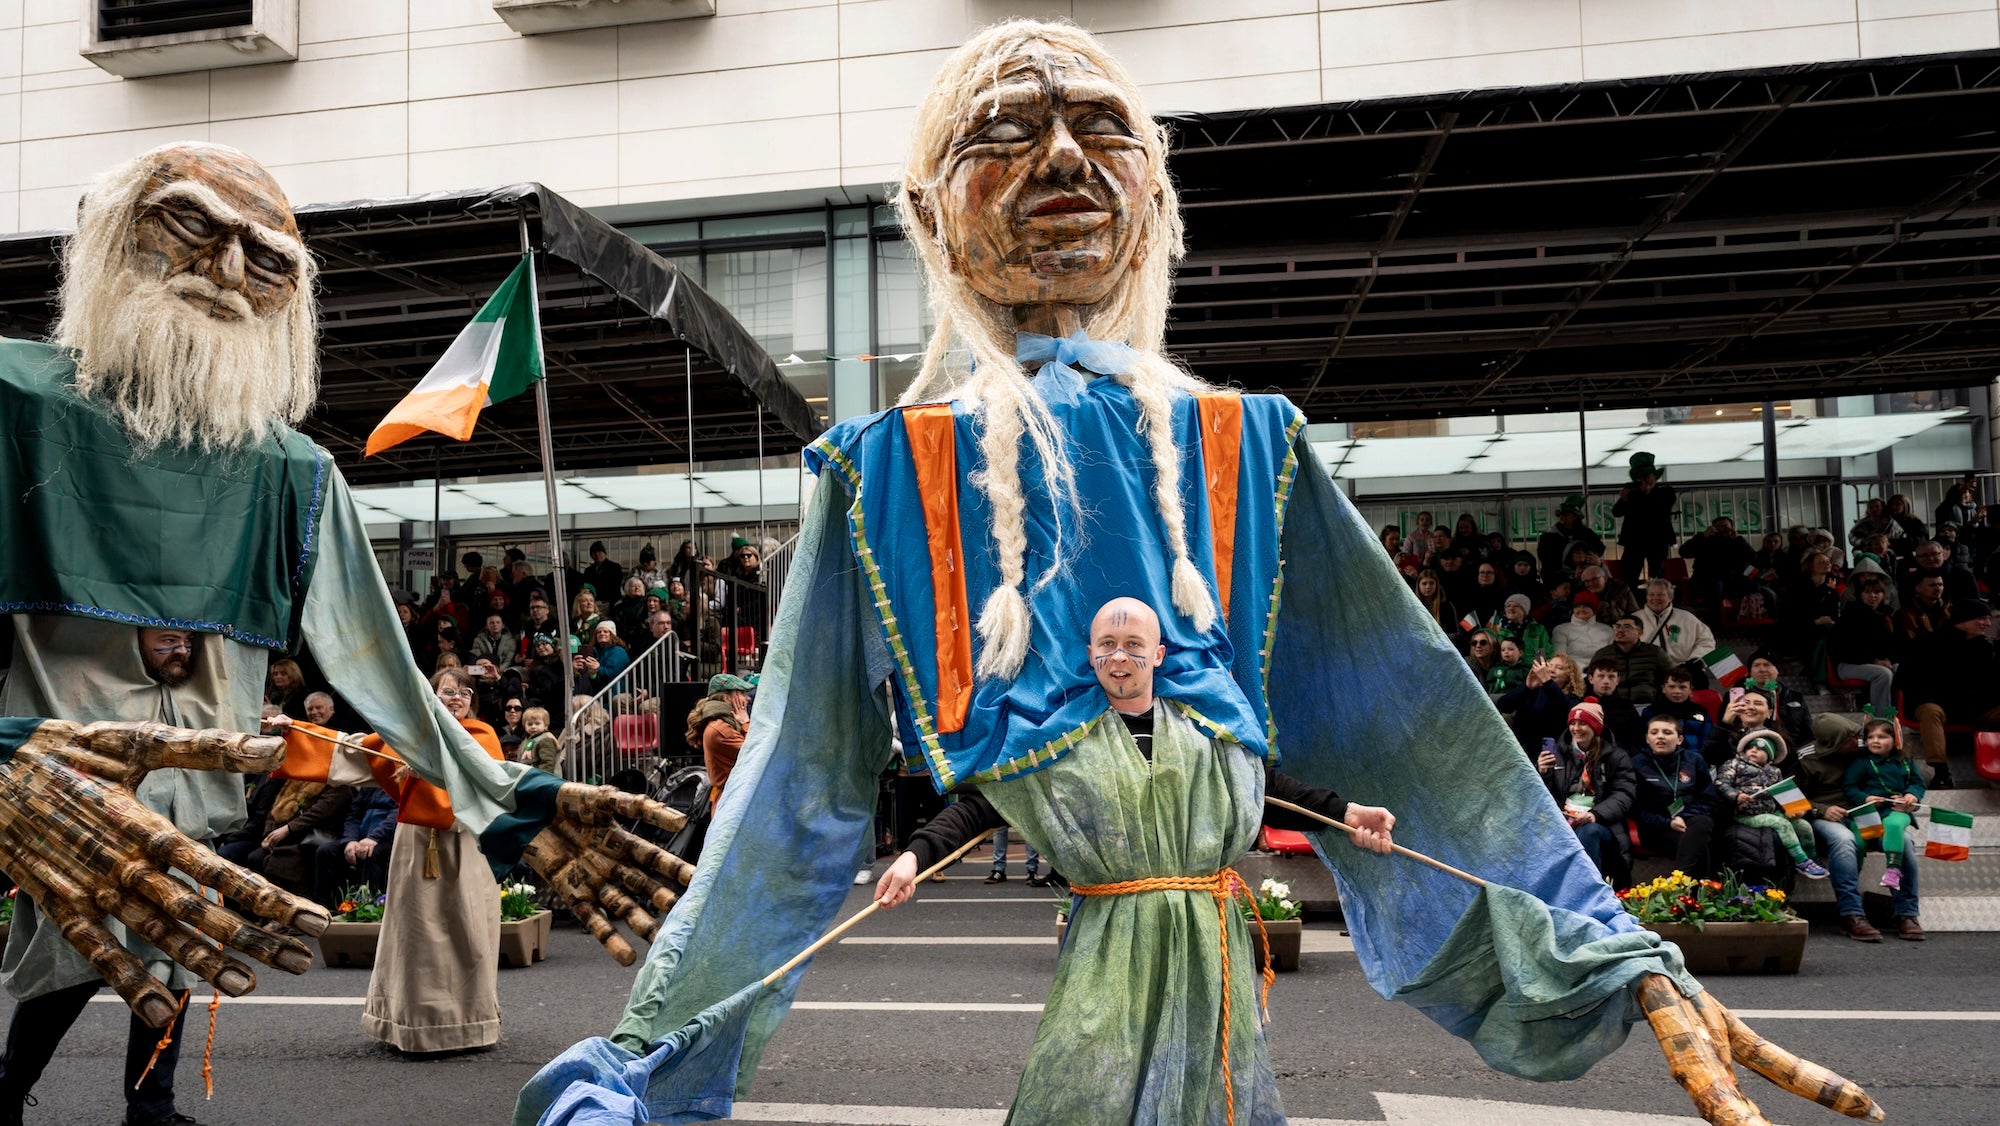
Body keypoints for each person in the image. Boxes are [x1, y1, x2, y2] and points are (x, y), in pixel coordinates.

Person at [523, 23, 1873, 1124]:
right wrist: (648, 1062)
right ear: (931, 208)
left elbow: (1422, 723)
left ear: (1155, 190)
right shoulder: (879, 473)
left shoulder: (1246, 448)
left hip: (1221, 986)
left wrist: (1609, 945)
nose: (1063, 156)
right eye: (1007, 130)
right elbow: (787, 798)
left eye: (1103, 128)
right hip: (1111, 965)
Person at [875, 598, 1395, 1122]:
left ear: (1159, 654)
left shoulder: (1203, 732)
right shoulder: (1060, 741)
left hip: (1200, 937)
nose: (1119, 658)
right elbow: (982, 808)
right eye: (1107, 646)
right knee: (1082, 1064)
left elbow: (1270, 790)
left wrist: (1347, 814)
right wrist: (915, 858)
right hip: (1108, 939)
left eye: (1133, 646)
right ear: (1090, 654)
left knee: (1197, 1071)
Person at [0, 629, 219, 1126]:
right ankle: (8, 1090)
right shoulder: (79, 690)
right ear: (128, 642)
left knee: (169, 980)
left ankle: (151, 1107)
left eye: (185, 641)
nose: (182, 651)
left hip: (173, 862)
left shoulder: (193, 695)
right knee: (64, 982)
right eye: (166, 642)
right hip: (87, 861)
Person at [1797, 714, 1924, 941]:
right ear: (1834, 742)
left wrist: (1904, 799)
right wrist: (1820, 809)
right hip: (1828, 815)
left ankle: (1907, 912)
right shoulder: (1806, 758)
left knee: (1903, 841)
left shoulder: (1867, 751)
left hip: (1868, 814)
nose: (1860, 742)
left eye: (1858, 736)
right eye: (1851, 739)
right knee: (1845, 841)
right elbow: (1791, 798)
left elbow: (1902, 776)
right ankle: (1852, 913)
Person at [1894, 597, 2000, 790]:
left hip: (1976, 709)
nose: (1988, 623)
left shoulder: (1986, 648)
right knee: (1929, 710)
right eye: (1982, 618)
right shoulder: (1927, 644)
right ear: (1964, 619)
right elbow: (1908, 680)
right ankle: (1941, 771)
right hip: (1940, 705)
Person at [1534, 698, 1635, 882]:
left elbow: (1624, 794)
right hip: (1564, 820)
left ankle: (1590, 890)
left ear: (1595, 727)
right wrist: (1542, 773)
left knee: (1588, 832)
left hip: (1601, 824)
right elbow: (1540, 795)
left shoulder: (1617, 756)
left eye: (1583, 723)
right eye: (1573, 723)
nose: (1576, 728)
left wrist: (1595, 814)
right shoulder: (1557, 754)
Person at [1713, 729, 1827, 878]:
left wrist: (1795, 810)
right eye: (1751, 747)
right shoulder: (1734, 764)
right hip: (1745, 814)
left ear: (1770, 755)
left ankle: (1813, 858)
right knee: (1781, 824)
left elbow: (1786, 794)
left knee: (1803, 825)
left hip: (1771, 811)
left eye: (1760, 749)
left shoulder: (1775, 772)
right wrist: (1736, 795)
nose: (1754, 750)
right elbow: (1721, 784)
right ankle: (1801, 861)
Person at [1630, 714, 1718, 877]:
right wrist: (1668, 823)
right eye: (1654, 732)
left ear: (1679, 739)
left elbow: (1708, 799)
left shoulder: (1694, 760)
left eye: (1667, 732)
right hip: (1655, 828)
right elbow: (1635, 808)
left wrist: (1683, 817)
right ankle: (1692, 890)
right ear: (1647, 739)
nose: (1660, 736)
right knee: (1698, 847)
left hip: (1689, 822)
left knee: (1704, 821)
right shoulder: (1636, 763)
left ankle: (1678, 882)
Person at [1843, 717, 1925, 890]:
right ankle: (1851, 879)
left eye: (1881, 737)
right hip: (1868, 813)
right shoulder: (1861, 762)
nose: (1875, 741)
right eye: (1871, 737)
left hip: (1897, 810)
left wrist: (1912, 795)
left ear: (1895, 739)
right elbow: (1850, 787)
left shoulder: (1905, 761)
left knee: (1893, 826)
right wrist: (1865, 798)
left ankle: (1893, 872)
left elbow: (1918, 783)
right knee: (1858, 840)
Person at [310, 787, 397, 909]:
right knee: (326, 851)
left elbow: (396, 815)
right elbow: (354, 814)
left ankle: (367, 907)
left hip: (386, 838)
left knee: (371, 854)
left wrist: (374, 838)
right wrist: (350, 840)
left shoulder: (399, 786)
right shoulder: (370, 786)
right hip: (360, 838)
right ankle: (321, 907)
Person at [1829, 575, 1898, 712]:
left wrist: (1889, 659)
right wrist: (1874, 661)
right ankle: (1881, 717)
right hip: (1848, 665)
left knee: (1901, 668)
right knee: (1883, 674)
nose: (1872, 596)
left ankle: (1900, 712)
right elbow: (1845, 649)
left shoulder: (1885, 616)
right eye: (1867, 592)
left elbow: (1892, 645)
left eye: (1877, 592)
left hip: (1875, 663)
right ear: (1861, 594)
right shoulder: (1850, 616)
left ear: (1883, 595)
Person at [1498, 652, 1584, 755]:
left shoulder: (1572, 698)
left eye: (1559, 668)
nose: (1551, 670)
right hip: (1522, 748)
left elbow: (1565, 711)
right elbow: (1503, 706)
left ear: (1569, 676)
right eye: (1549, 666)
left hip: (1551, 750)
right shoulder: (1534, 691)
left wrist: (1548, 682)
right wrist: (1527, 688)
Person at [1612, 452, 1677, 582]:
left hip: (1658, 539)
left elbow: (1660, 509)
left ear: (1654, 476)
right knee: (1629, 575)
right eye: (1640, 477)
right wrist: (1625, 498)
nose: (1644, 480)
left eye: (1647, 476)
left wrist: (1641, 495)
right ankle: (1630, 600)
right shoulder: (1631, 492)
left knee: (1658, 575)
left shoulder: (1665, 492)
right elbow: (1616, 512)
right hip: (1635, 540)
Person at [1677, 514, 1756, 615]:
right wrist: (1703, 536)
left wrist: (1739, 539)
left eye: (1726, 527)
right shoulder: (1705, 540)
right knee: (1716, 585)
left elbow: (1753, 558)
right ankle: (1716, 622)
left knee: (1754, 586)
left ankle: (1751, 617)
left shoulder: (1737, 542)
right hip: (1705, 580)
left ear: (1732, 528)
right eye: (1718, 527)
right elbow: (1684, 552)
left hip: (1732, 581)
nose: (1723, 530)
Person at [1633, 579, 1715, 670]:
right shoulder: (1633, 620)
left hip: (1682, 671)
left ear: (1670, 597)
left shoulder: (1687, 618)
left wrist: (1696, 661)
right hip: (1646, 673)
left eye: (1661, 594)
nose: (1655, 598)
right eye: (1651, 594)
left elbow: (1707, 642)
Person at [1591, 614, 1671, 705]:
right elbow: (1591, 681)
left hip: (1647, 704)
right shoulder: (1602, 654)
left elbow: (1669, 679)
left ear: (1640, 633)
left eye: (1627, 627)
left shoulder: (1655, 653)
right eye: (1617, 627)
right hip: (1612, 705)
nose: (1620, 630)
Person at [1643, 668, 1713, 755]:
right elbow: (1645, 743)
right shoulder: (1651, 711)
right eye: (1672, 687)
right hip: (1661, 761)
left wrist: (1699, 761)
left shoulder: (1701, 712)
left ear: (1690, 690)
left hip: (1696, 760)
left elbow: (1708, 740)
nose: (1677, 691)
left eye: (1682, 687)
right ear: (1663, 689)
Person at [1536, 494, 1603, 583]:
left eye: (1566, 514)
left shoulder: (1587, 534)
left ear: (1575, 516)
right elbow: (1546, 563)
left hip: (1584, 579)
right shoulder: (1548, 537)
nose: (1562, 517)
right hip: (1558, 581)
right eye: (1561, 514)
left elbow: (1599, 549)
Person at [1552, 591, 1612, 664]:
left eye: (1586, 606)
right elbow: (1560, 658)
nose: (1581, 609)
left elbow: (1613, 656)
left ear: (1594, 609)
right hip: (1574, 673)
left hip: (1603, 672)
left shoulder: (1607, 630)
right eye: (1577, 606)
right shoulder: (1561, 629)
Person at [1895, 569, 1950, 644]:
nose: (1938, 589)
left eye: (1941, 585)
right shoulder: (1906, 614)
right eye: (1932, 585)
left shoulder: (1950, 610)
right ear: (1918, 588)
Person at [1492, 593, 1551, 661]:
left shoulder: (1537, 629)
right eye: (1508, 606)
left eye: (1516, 606)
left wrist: (1536, 667)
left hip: (1529, 668)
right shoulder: (1497, 628)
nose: (1510, 608)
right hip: (1505, 668)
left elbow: (1542, 653)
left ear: (1524, 610)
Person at [518, 707, 562, 775]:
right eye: (530, 724)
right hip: (530, 777)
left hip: (545, 780)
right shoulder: (526, 740)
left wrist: (541, 778)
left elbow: (547, 762)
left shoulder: (546, 739)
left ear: (545, 725)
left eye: (537, 723)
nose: (533, 726)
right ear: (524, 725)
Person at [582, 542, 623, 609]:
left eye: (599, 552)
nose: (597, 555)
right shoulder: (588, 570)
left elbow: (616, 584)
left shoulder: (615, 567)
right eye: (594, 553)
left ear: (605, 553)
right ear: (591, 555)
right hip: (594, 603)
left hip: (611, 602)